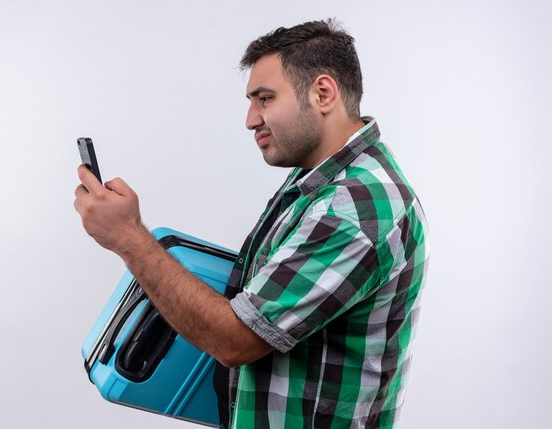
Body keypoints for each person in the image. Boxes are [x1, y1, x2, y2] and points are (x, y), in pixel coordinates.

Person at [74, 18, 429, 429]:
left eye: (264, 98)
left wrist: (128, 238)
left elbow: (235, 339)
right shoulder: (322, 179)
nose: (250, 119)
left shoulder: (356, 209)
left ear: (323, 93)